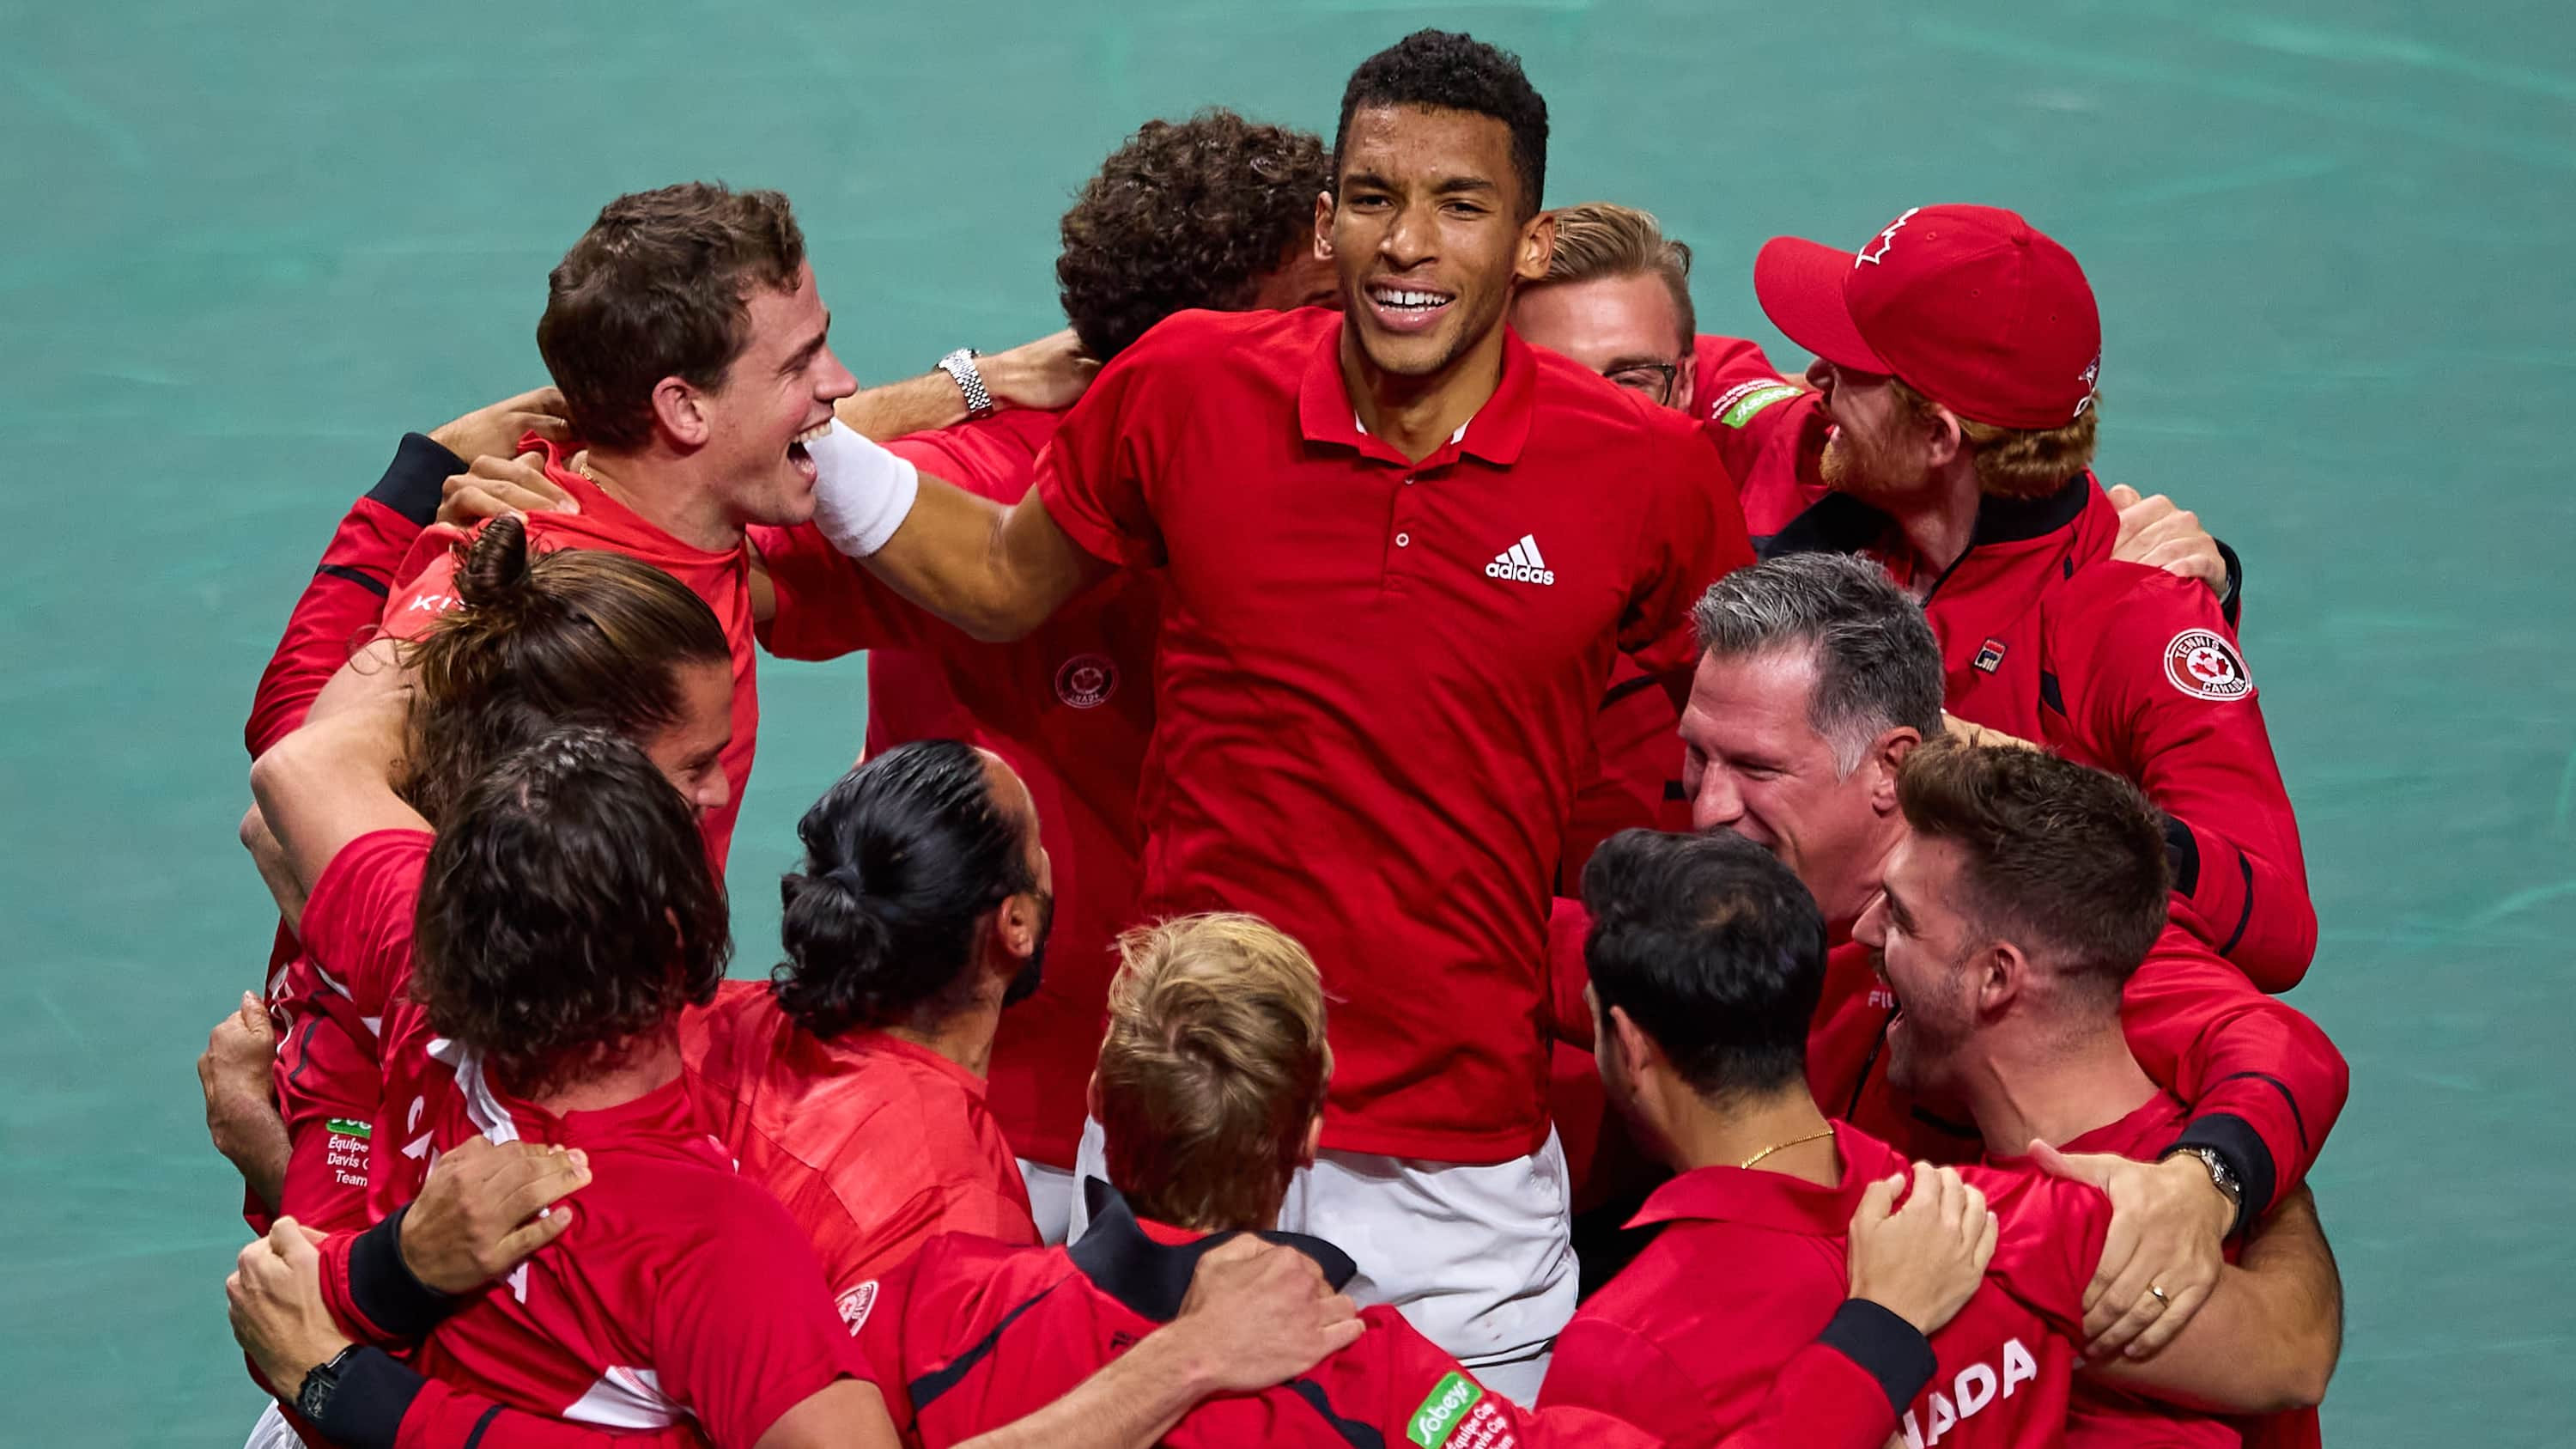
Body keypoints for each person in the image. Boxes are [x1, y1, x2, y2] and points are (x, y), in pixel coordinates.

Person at [793, 30, 1754, 1389]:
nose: (1407, 243)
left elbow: (1761, 699)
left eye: (1459, 205)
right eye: (1373, 199)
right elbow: (1004, 581)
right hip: (1185, 1117)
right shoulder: (1188, 386)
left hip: (1456, 1169)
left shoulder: (1648, 473)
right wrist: (792, 424)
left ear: (1527, 242)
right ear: (1327, 218)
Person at [236, 725, 1363, 1449]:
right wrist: (1194, 1353)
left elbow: (292, 782)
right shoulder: (902, 1224)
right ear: (1013, 927)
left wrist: (315, 1184)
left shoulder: (467, 984)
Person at [852, 912, 1994, 1448]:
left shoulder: (938, 1299)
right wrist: (1882, 1328)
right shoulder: (1383, 1383)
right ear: (1307, 1137)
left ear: (1102, 1106)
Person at [1666, 553, 2348, 1354]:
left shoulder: (2025, 909)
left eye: (1755, 768)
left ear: (1890, 768)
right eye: (1697, 756)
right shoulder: (1753, 895)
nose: (1707, 806)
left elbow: (2280, 1046)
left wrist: (2207, 1183)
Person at [1540, 829, 2333, 1448]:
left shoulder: (1620, 1351)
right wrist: (2237, 1186)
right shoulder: (2020, 1222)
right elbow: (2292, 1350)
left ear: (1629, 1045)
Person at [1726, 204, 2312, 986]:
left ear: (1937, 438)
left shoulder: (2136, 614)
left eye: (1848, 366)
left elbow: (2277, 927)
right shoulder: (1810, 453)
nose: (1812, 379)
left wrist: (2028, 788)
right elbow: (1663, 359)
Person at [211, 516, 734, 1236]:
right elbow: (327, 1289)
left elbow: (286, 777)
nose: (718, 791)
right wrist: (256, 1139)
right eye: (695, 764)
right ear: (585, 761)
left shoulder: (413, 888)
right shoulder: (459, 953)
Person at [1858, 738, 2342, 1442]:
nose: (1865, 927)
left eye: (1901, 917)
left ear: (1997, 977)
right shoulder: (2206, 1189)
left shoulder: (2118, 1254)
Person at [683, 739, 1054, 1298]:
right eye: (1037, 844)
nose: (1048, 859)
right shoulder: (973, 1219)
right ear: (1016, 923)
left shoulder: (693, 1025)